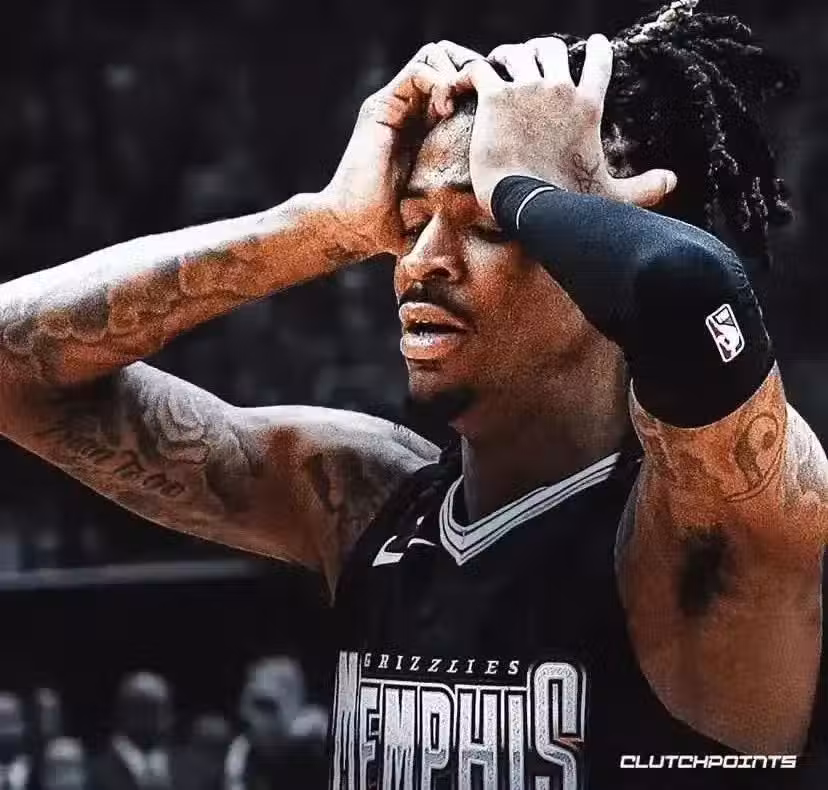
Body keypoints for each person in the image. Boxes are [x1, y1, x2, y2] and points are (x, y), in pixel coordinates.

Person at [0, 0, 825, 786]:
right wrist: (320, 226)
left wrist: (533, 185)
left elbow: (688, 291)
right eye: (411, 218)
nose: (421, 260)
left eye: (491, 222)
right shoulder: (362, 495)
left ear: (608, 230)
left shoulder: (705, 528)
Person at [224, 657, 324, 790]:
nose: (256, 719)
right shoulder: (242, 752)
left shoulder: (318, 737)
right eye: (255, 705)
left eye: (267, 707)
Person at [91, 674, 181, 790]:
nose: (154, 718)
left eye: (162, 708)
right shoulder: (94, 772)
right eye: (144, 708)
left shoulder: (192, 769)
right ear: (122, 712)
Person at [0, 694, 32, 790]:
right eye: (1, 722)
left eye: (10, 721)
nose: (5, 730)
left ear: (22, 725)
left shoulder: (34, 768)